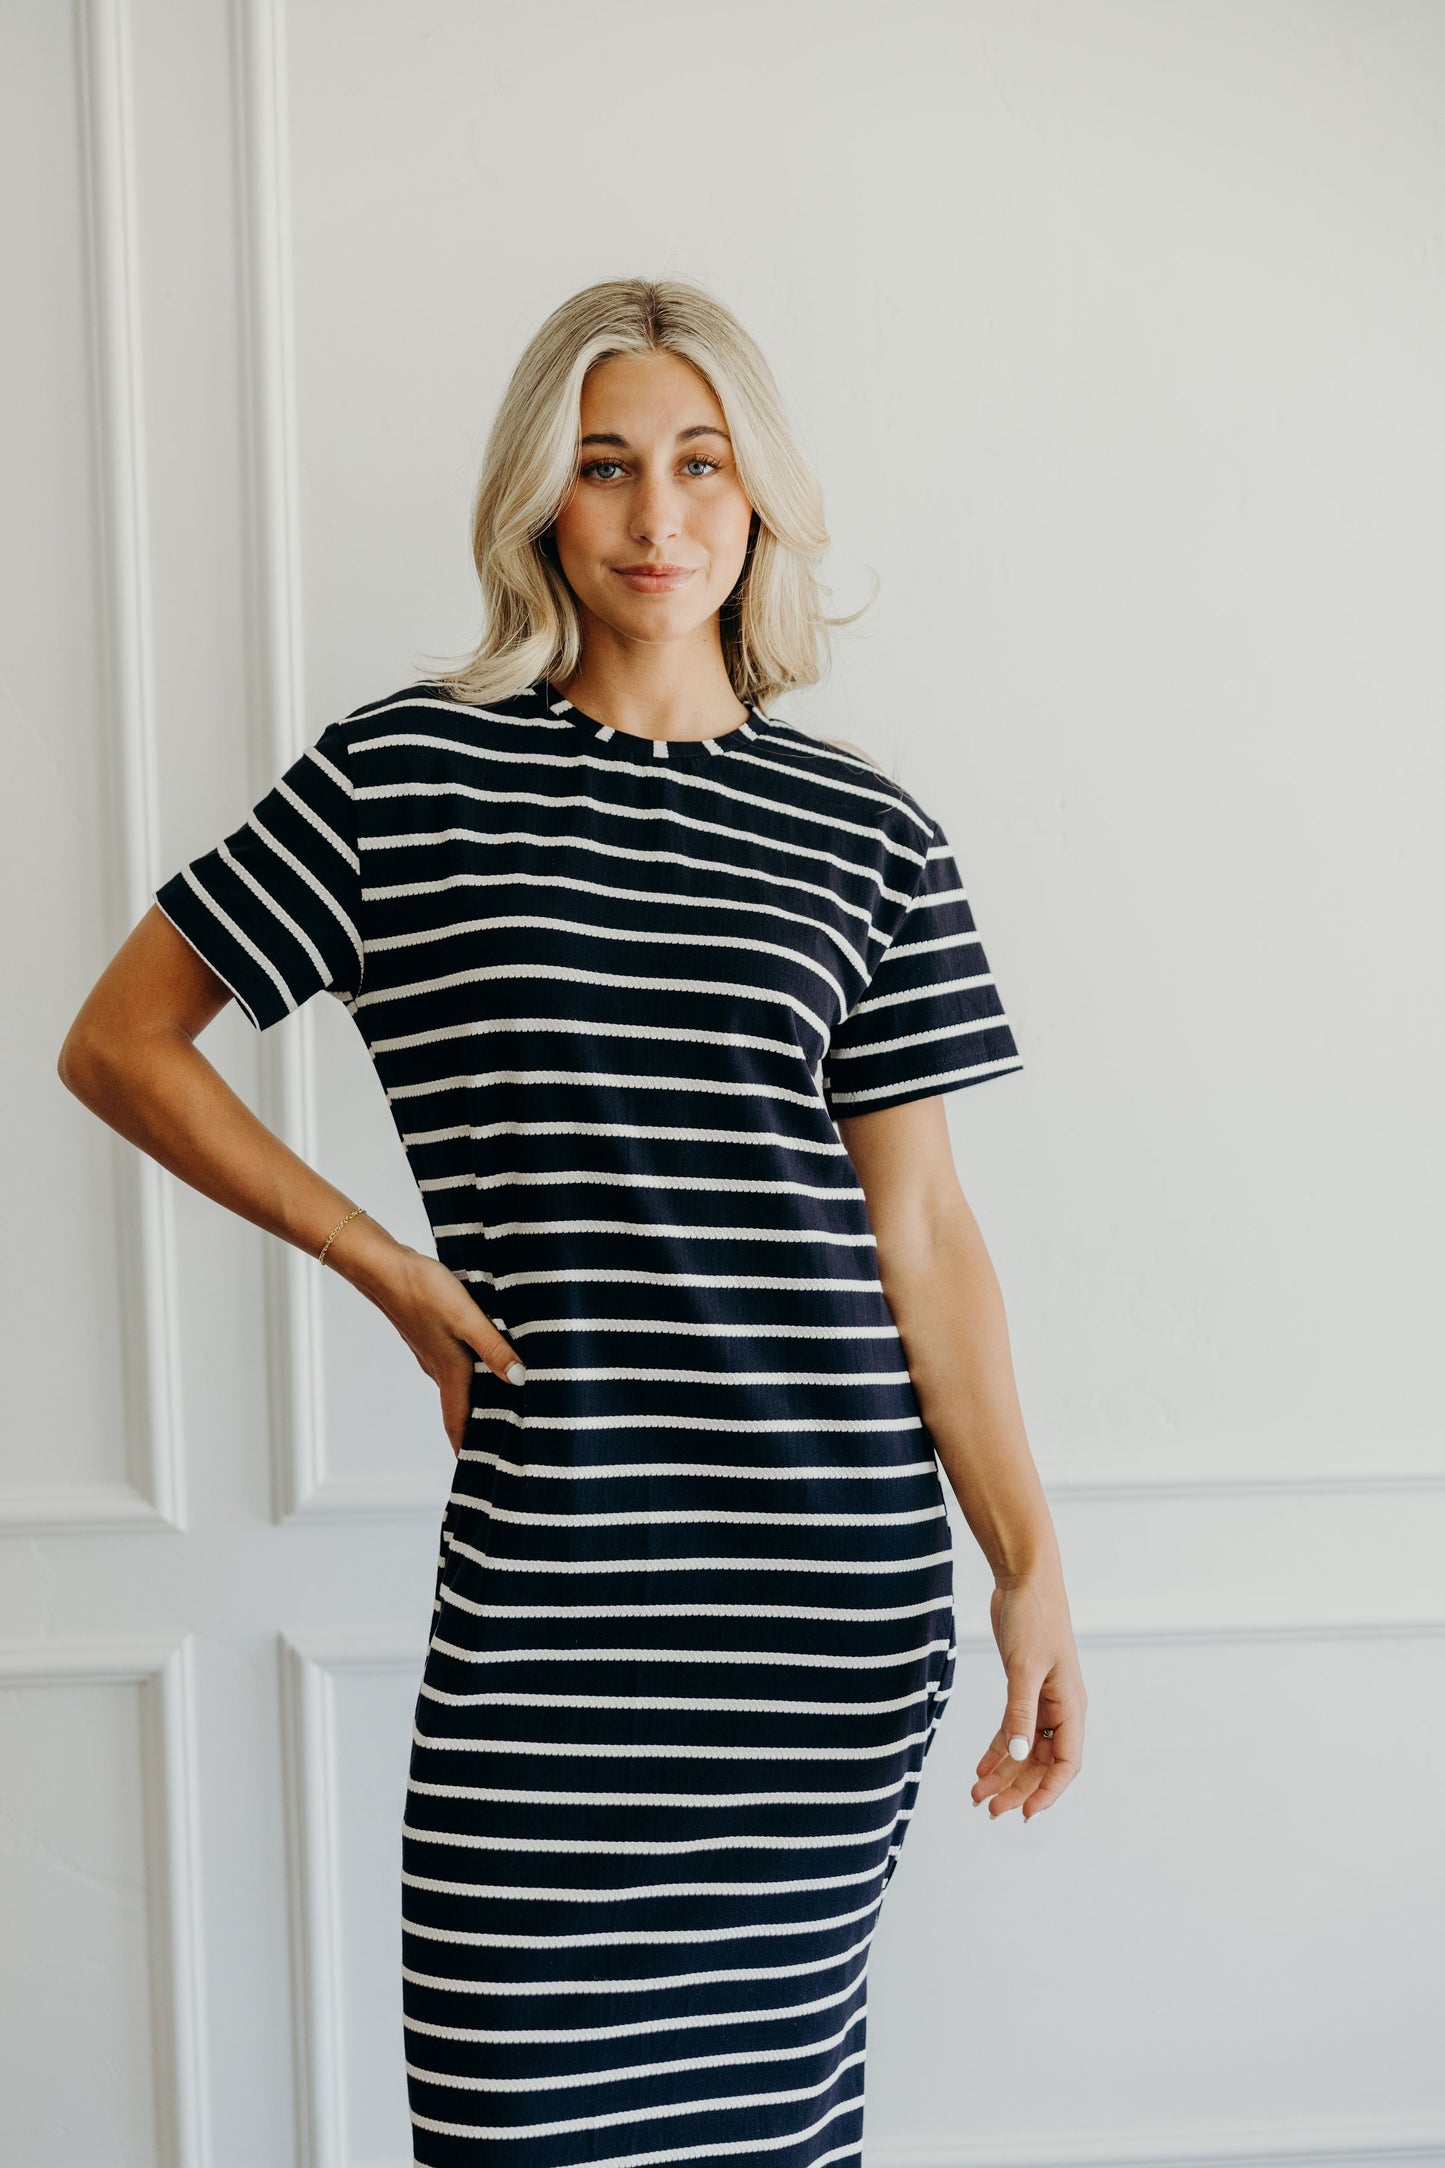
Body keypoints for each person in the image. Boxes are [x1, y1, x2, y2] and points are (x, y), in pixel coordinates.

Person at [58, 276, 1086, 2167]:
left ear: (761, 494)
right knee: (513, 2116)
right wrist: (387, 1270)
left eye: (700, 463)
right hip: (556, 1583)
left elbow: (926, 1232)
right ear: (538, 497)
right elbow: (120, 1044)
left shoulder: (865, 834)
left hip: (822, 1592)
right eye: (604, 466)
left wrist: (1023, 1562)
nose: (656, 515)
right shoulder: (406, 775)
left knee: (769, 2129)